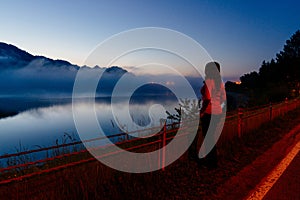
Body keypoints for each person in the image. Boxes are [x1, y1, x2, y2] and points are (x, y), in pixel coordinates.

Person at [189, 61, 226, 169]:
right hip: (218, 113)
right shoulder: (220, 83)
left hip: (209, 113)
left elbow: (207, 99)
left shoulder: (209, 82)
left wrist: (202, 112)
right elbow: (223, 98)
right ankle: (211, 160)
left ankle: (212, 162)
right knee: (211, 137)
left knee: (208, 138)